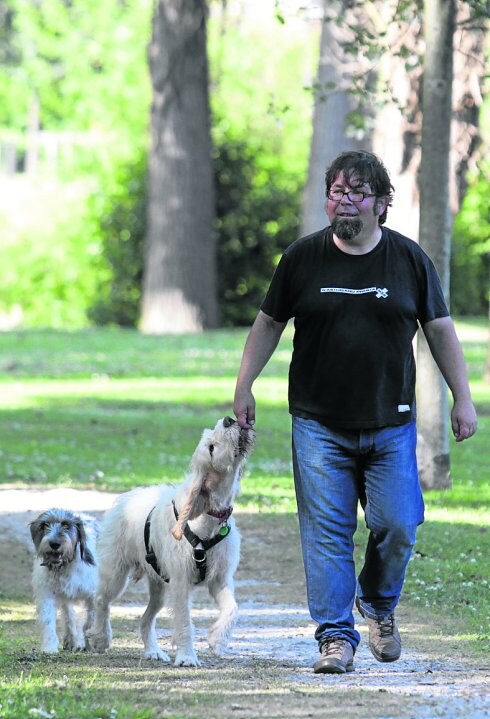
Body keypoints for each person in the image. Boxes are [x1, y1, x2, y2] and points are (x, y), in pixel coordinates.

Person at [233, 151, 478, 674]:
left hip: (391, 423)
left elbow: (440, 330)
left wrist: (463, 396)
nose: (345, 200)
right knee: (326, 531)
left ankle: (379, 604)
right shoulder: (302, 259)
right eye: (337, 191)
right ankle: (335, 637)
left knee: (399, 522)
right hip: (319, 423)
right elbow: (268, 324)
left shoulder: (409, 261)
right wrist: (245, 385)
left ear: (383, 204)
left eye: (358, 192)